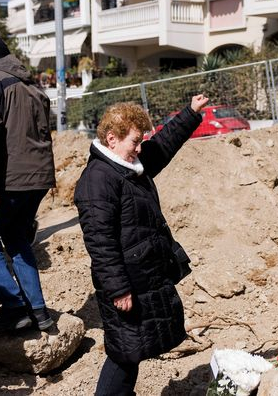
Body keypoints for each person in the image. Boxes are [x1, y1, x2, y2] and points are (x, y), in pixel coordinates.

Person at [74, 94, 209, 395]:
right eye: (135, 142)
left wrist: (190, 112)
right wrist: (118, 288)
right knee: (124, 353)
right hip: (127, 281)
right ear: (112, 139)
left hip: (143, 276)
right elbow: (100, 242)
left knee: (131, 350)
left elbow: (162, 147)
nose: (139, 148)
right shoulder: (98, 180)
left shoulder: (126, 166)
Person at [0, 37, 56, 332]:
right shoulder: (33, 86)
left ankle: (14, 306)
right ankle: (39, 311)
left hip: (11, 179)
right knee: (16, 238)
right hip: (41, 175)